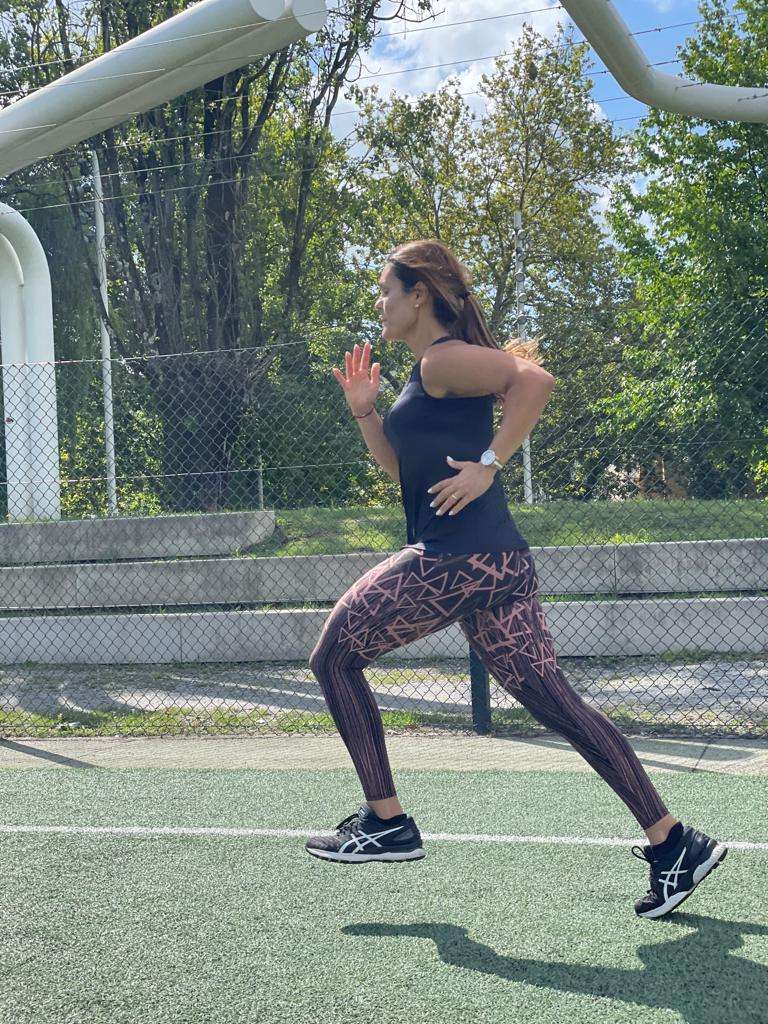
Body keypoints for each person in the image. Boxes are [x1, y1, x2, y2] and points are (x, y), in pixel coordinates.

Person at [305, 238, 727, 919]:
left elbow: (533, 381)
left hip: (460, 560)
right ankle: (674, 842)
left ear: (420, 295)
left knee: (333, 657)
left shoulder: (443, 358)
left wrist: (490, 463)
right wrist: (365, 410)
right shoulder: (426, 372)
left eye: (386, 290)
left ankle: (386, 821)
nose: (378, 303)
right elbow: (404, 477)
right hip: (494, 564)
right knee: (556, 703)